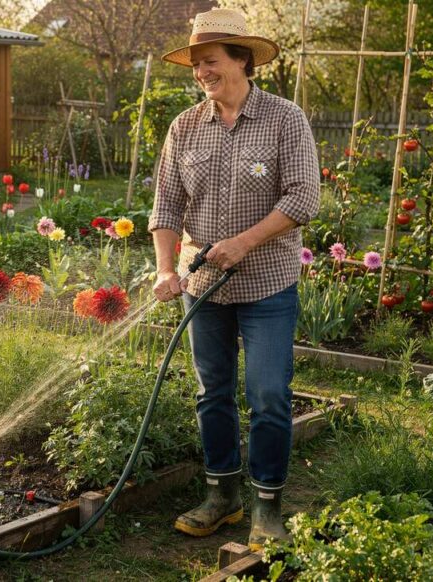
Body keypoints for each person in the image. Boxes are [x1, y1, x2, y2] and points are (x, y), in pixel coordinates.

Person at [148, 8, 320, 550]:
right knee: (212, 392)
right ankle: (222, 496)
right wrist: (166, 268)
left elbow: (303, 197)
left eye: (211, 60)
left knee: (268, 394)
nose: (202, 71)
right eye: (197, 64)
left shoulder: (284, 118)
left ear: (242, 60)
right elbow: (166, 205)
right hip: (203, 288)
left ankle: (267, 505)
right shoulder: (185, 126)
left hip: (267, 282)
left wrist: (244, 243)